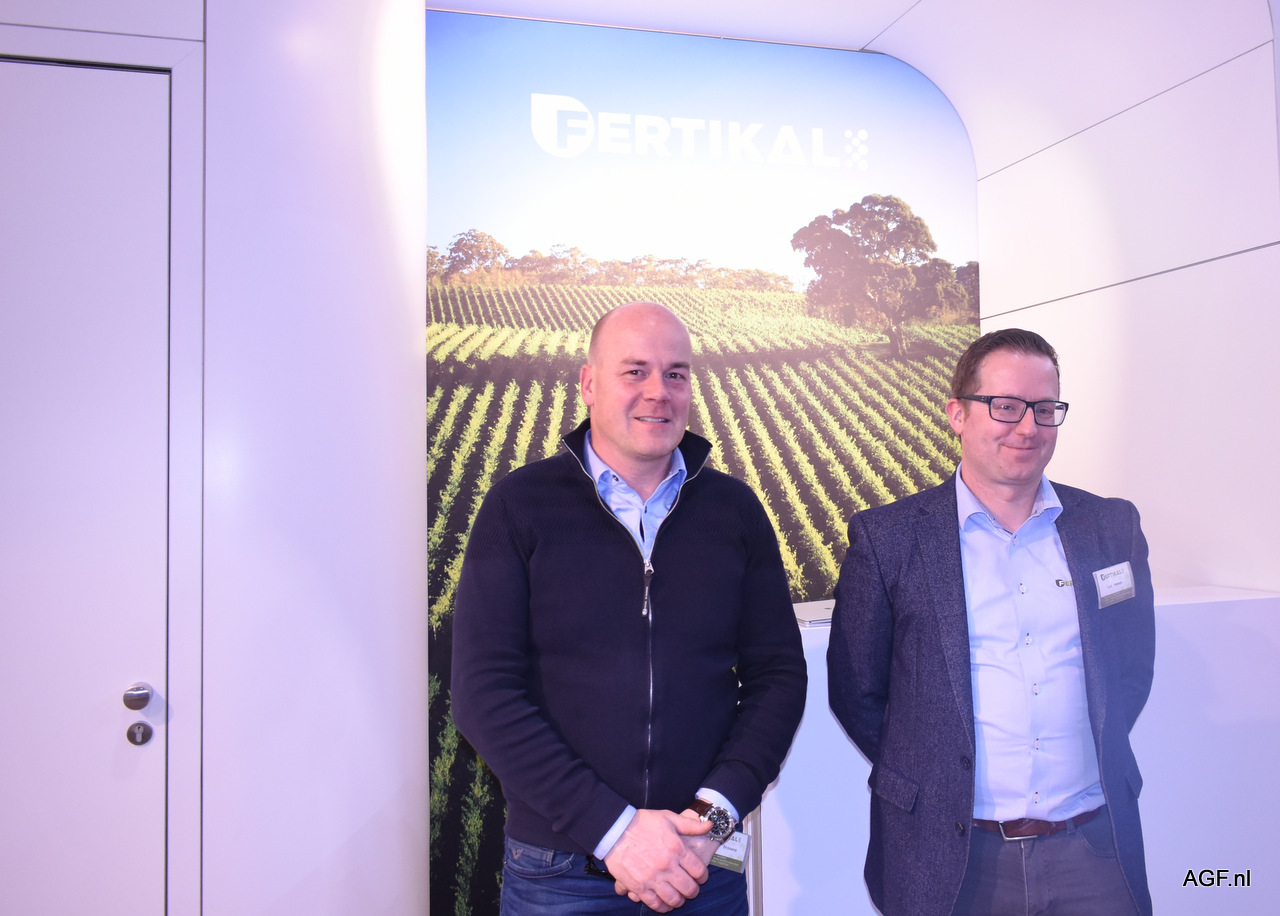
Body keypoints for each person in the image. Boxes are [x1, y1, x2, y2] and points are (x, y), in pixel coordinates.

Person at [452, 301, 807, 914]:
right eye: (635, 371)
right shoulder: (519, 506)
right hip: (559, 872)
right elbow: (483, 693)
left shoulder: (735, 511)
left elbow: (777, 676)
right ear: (589, 384)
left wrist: (713, 816)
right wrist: (614, 831)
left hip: (702, 862)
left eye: (676, 374)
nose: (658, 392)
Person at [827, 328, 1155, 916]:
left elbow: (1131, 670)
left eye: (1045, 409)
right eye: (1005, 406)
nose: (1027, 427)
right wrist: (931, 774)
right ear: (957, 414)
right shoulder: (889, 539)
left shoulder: (1111, 528)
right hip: (952, 859)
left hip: (1095, 850)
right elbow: (858, 690)